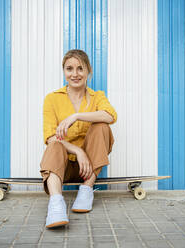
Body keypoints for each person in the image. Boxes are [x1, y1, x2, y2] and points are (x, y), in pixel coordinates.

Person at [40, 49, 117, 228]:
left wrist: (77, 116)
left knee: (101, 126)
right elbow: (50, 137)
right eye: (69, 69)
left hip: (89, 168)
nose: (75, 74)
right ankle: (56, 203)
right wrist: (77, 150)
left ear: (88, 72)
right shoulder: (52, 99)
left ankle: (86, 189)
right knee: (54, 145)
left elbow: (110, 116)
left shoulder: (98, 96)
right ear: (64, 72)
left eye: (80, 69)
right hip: (62, 167)